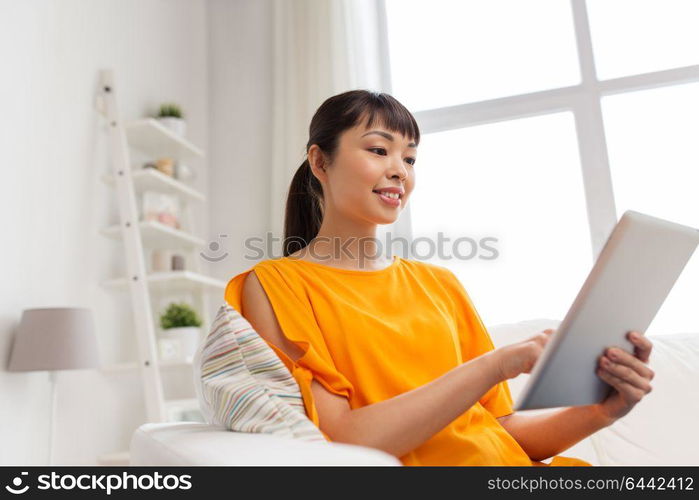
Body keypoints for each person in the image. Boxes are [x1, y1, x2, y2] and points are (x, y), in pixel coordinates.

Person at [223, 90, 655, 466]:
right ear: (319, 161)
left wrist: (604, 410)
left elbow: (502, 431)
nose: (400, 171)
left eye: (410, 157)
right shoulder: (275, 284)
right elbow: (344, 442)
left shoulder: (439, 283)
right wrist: (496, 365)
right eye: (379, 150)